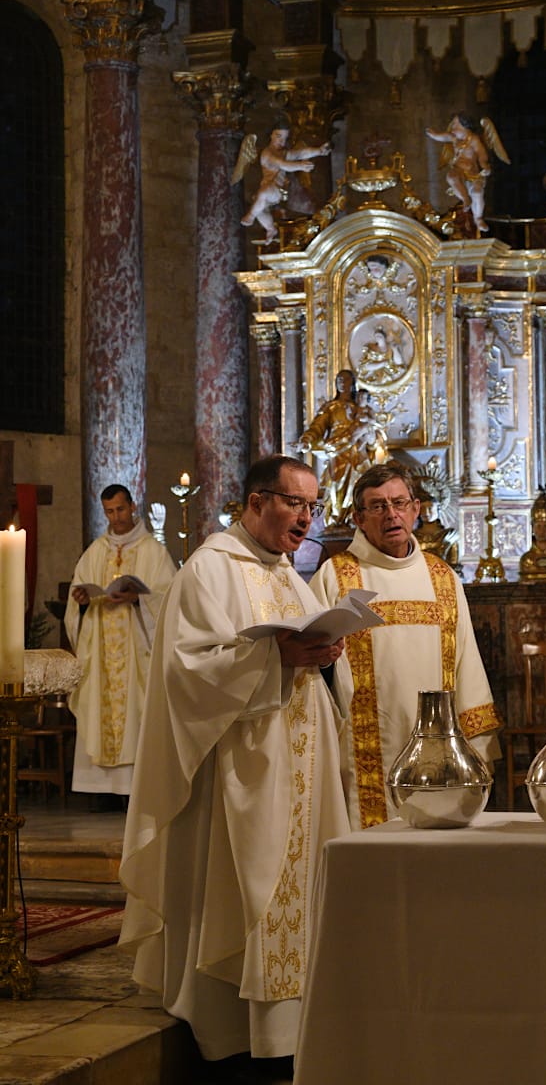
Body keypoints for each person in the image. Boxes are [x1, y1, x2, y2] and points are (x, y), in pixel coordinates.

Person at [118, 455, 351, 1072]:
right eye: (295, 503)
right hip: (242, 769)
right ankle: (239, 1035)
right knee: (246, 891)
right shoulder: (210, 570)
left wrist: (325, 651)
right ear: (255, 502)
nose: (306, 518)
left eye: (313, 505)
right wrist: (276, 659)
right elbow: (187, 671)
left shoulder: (286, 572)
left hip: (296, 762)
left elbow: (304, 655)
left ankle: (296, 1027)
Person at [310, 463, 503, 829]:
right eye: (378, 506)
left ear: (416, 509)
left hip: (437, 746)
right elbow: (313, 667)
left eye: (399, 503)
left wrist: (477, 741)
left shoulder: (443, 578)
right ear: (358, 517)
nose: (391, 515)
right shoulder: (334, 577)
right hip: (359, 754)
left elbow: (467, 662)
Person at [65, 484, 176, 806]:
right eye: (109, 512)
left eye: (120, 510)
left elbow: (168, 599)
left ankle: (133, 791)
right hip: (99, 648)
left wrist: (139, 599)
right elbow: (77, 598)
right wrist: (83, 601)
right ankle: (98, 792)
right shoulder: (95, 551)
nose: (116, 518)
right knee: (98, 705)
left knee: (137, 710)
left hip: (137, 649)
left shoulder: (153, 551)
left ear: (132, 506)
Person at [240, 118, 331, 243]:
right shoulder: (267, 153)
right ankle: (270, 228)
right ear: (271, 134)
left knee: (262, 194)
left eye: (284, 138)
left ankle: (251, 216)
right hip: (269, 187)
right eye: (279, 136)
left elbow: (301, 153)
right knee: (260, 208)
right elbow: (283, 165)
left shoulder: (283, 152)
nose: (282, 141)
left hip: (277, 190)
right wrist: (300, 166)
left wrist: (319, 151)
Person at [425, 113, 508, 235]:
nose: (452, 128)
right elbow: (443, 137)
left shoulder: (474, 139)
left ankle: (478, 218)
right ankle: (465, 199)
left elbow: (481, 154)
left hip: (473, 173)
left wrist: (485, 166)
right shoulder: (454, 138)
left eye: (455, 125)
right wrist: (433, 134)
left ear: (465, 126)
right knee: (451, 177)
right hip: (458, 170)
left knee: (477, 192)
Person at [297, 368, 361, 527]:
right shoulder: (330, 407)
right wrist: (307, 440)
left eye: (345, 379)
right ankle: (336, 518)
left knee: (357, 484)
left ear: (352, 384)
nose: (341, 383)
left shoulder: (359, 408)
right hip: (336, 452)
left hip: (356, 452)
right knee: (335, 486)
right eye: (338, 380)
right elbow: (317, 427)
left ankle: (353, 518)